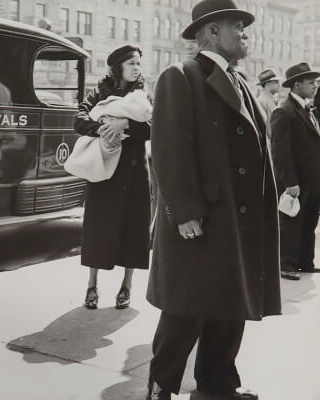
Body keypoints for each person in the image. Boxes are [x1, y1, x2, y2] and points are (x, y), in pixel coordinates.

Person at [146, 1, 281, 399]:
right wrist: (184, 211)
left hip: (238, 219)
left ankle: (217, 386)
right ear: (211, 32)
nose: (245, 33)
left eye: (244, 26)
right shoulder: (181, 77)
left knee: (229, 306)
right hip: (202, 217)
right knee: (186, 310)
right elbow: (170, 150)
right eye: (237, 26)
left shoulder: (240, 82)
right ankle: (160, 387)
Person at [74, 45, 151, 310]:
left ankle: (126, 286)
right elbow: (79, 120)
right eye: (131, 63)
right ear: (116, 67)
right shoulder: (98, 93)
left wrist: (125, 124)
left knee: (133, 227)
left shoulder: (142, 94)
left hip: (133, 170)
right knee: (98, 227)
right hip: (104, 170)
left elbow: (155, 126)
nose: (137, 68)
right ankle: (92, 285)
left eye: (138, 64)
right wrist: (103, 128)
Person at [269, 62, 320, 281]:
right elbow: (280, 151)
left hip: (311, 180)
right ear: (296, 85)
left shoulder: (306, 109)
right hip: (296, 181)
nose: (315, 86)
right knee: (291, 221)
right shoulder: (285, 111)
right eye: (310, 83)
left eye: (316, 83)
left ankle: (305, 261)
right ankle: (287, 264)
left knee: (309, 220)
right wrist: (290, 182)